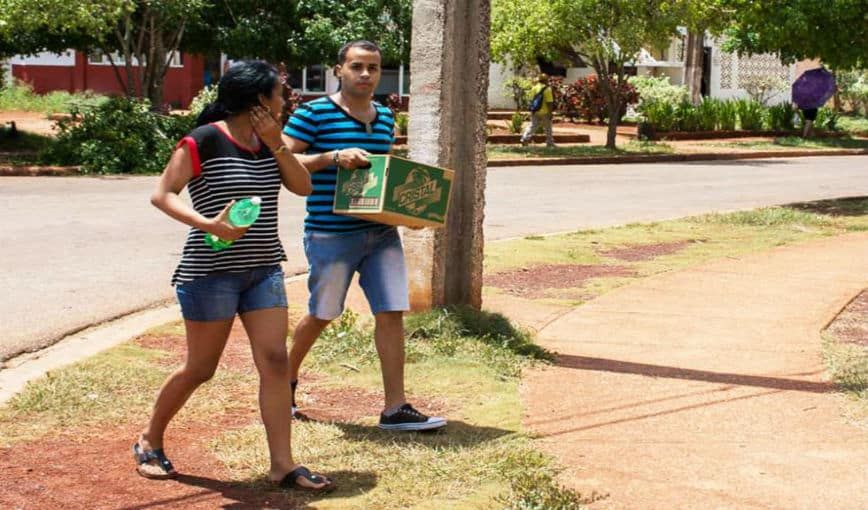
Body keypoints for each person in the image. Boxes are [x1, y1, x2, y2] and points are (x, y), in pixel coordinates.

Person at [136, 61, 334, 491]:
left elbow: (302, 187)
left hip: (263, 268)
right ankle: (150, 439)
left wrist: (277, 144)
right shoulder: (204, 140)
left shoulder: (270, 144)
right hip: (211, 271)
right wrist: (210, 225)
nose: (287, 102)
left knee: (276, 362)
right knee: (200, 369)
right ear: (260, 100)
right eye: (281, 94)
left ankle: (282, 465)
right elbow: (162, 194)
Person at [281, 40, 447, 432]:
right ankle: (281, 383)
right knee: (323, 314)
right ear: (339, 70)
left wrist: (407, 213)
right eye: (357, 66)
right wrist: (331, 157)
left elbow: (380, 180)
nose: (366, 74)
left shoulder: (386, 117)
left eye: (373, 67)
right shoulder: (313, 114)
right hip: (331, 234)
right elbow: (283, 160)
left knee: (391, 313)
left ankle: (395, 408)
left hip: (381, 235)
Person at [521, 73, 556, 148]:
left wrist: (532, 109)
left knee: (533, 126)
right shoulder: (547, 89)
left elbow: (531, 100)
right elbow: (549, 102)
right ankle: (549, 143)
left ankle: (524, 138)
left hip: (535, 110)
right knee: (548, 128)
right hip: (545, 112)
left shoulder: (534, 88)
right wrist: (550, 113)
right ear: (546, 80)